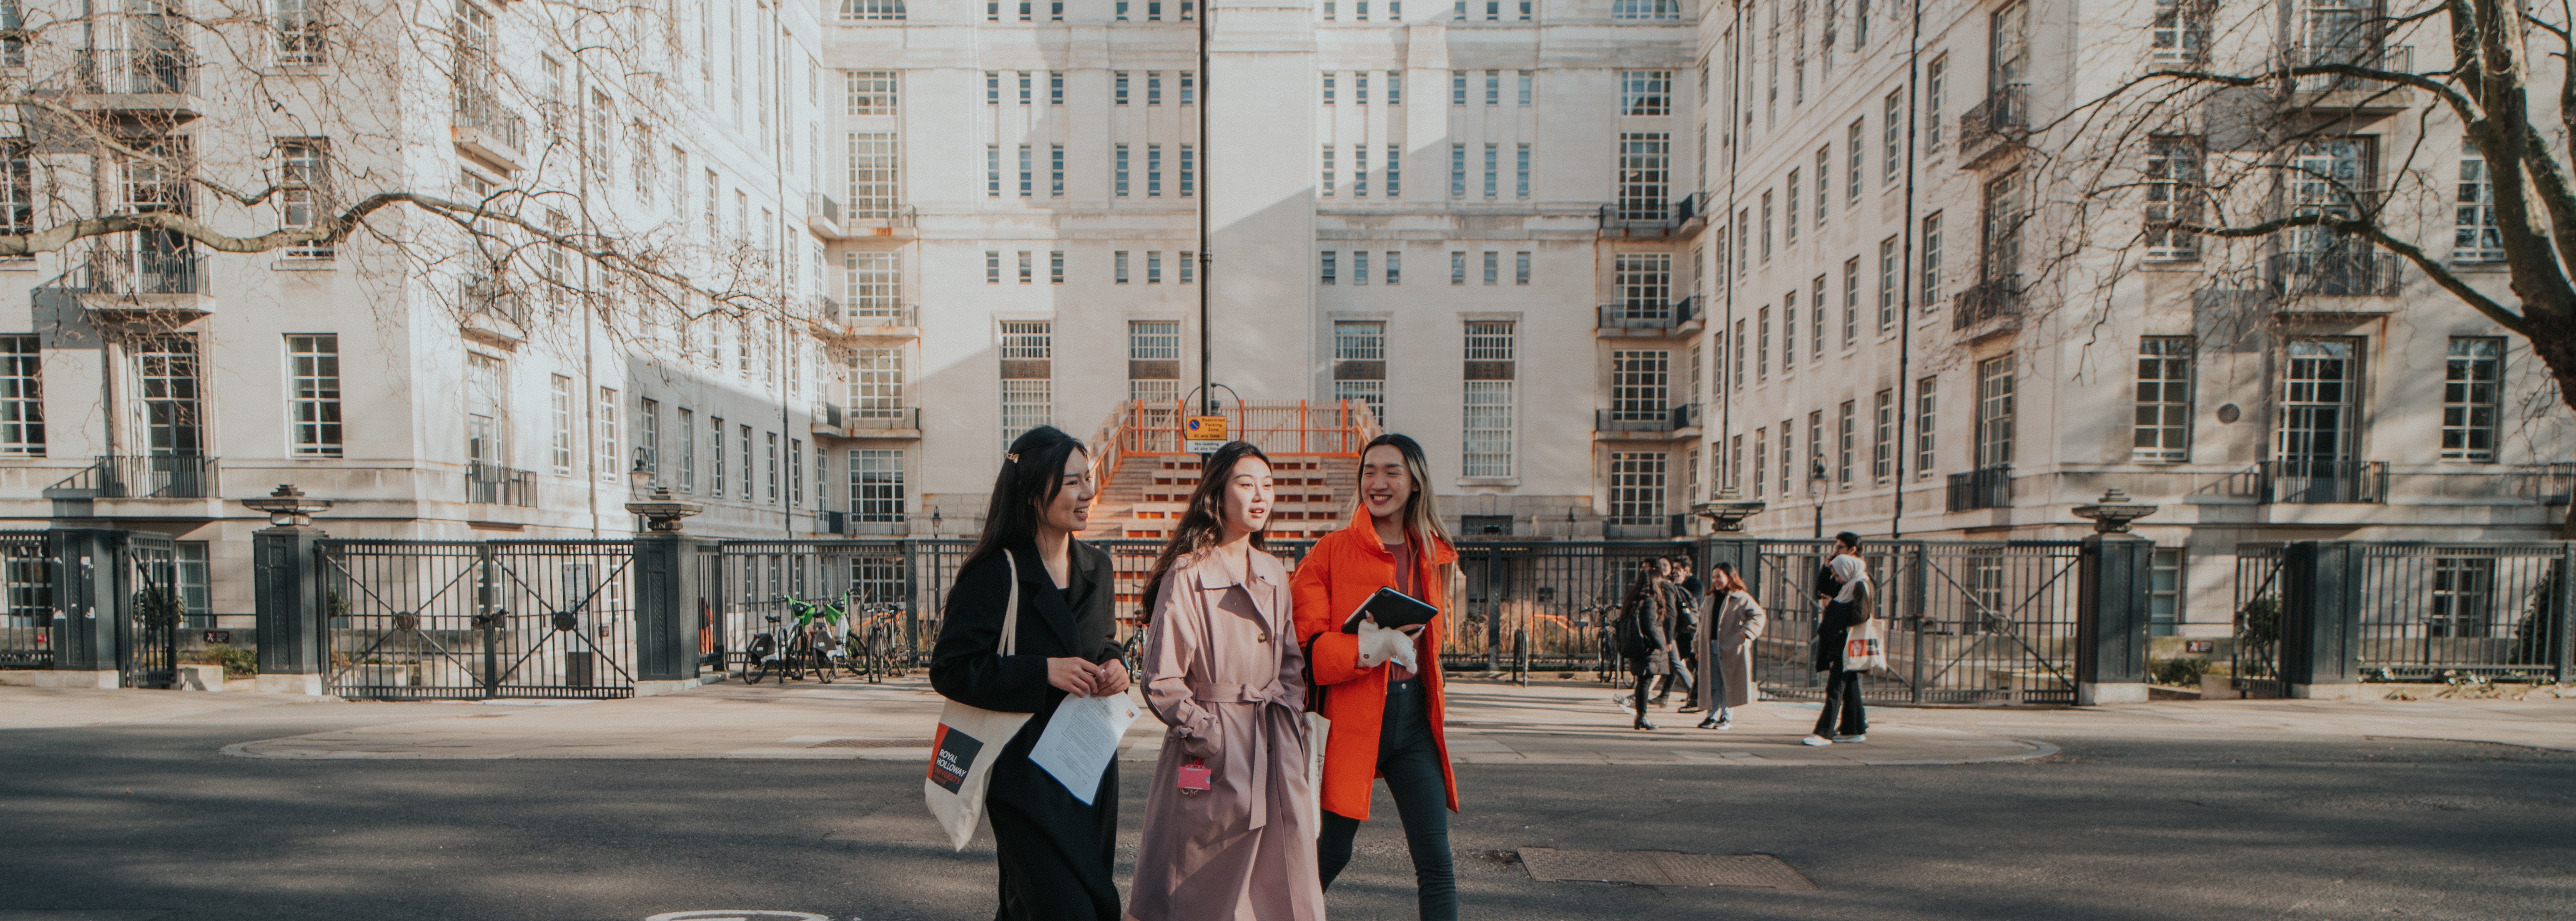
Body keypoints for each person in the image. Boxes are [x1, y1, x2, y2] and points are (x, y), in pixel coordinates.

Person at [927, 425, 1131, 920]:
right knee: (1062, 906)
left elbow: (1102, 641)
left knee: (1060, 903)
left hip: (1088, 764)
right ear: (1032, 491)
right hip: (1024, 773)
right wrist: (1043, 672)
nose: (1087, 494)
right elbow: (951, 669)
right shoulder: (995, 572)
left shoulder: (1096, 567)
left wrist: (1117, 665)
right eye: (1072, 483)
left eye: (1088, 480)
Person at [1130, 442, 1324, 921]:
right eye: (1245, 483)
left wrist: (1290, 726)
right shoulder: (1189, 573)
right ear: (1217, 494)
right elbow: (1161, 678)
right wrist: (1208, 734)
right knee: (1196, 886)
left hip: (1272, 744)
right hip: (1210, 747)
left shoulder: (1274, 572)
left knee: (1276, 886)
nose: (1260, 496)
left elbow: (1290, 666)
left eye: (1268, 485)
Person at [1292, 433, 1461, 921]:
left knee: (1435, 861)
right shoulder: (1329, 552)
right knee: (1328, 854)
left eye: (1391, 471)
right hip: (1347, 723)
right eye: (1369, 471)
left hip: (1412, 723)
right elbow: (1306, 653)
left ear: (1415, 483)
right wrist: (1370, 648)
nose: (1378, 482)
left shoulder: (1434, 555)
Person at [1803, 531, 1872, 747]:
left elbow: (1861, 614)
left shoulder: (1858, 582)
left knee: (1834, 688)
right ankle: (1855, 729)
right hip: (1842, 641)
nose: (1835, 551)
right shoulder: (1850, 582)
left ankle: (1824, 732)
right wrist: (1827, 568)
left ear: (1852, 552)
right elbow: (1822, 591)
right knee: (1849, 686)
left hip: (1846, 642)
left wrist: (1834, 607)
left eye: (1840, 548)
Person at [1697, 561, 1766, 731]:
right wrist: (1696, 647)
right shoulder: (1709, 599)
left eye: (1719, 576)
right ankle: (1711, 715)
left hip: (1731, 648)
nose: (1716, 580)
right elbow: (1701, 625)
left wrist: (1744, 634)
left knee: (1728, 683)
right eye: (1714, 577)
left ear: (1729, 577)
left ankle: (1726, 717)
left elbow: (1759, 616)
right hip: (1710, 646)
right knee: (1712, 683)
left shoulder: (1741, 597)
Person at [1615, 558, 1674, 730]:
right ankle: (1642, 716)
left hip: (1638, 646)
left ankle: (1641, 716)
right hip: (1648, 649)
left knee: (1643, 681)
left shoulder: (1634, 600)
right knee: (1645, 682)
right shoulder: (1649, 601)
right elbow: (1650, 626)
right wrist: (1661, 644)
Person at [1653, 557, 1699, 709]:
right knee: (1675, 664)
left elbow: (1672, 613)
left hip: (1686, 632)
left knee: (1679, 664)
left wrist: (1669, 635)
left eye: (1677, 568)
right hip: (1678, 631)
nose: (1675, 571)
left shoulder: (1690, 585)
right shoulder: (1670, 584)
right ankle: (1665, 696)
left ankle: (1695, 695)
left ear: (1686, 570)